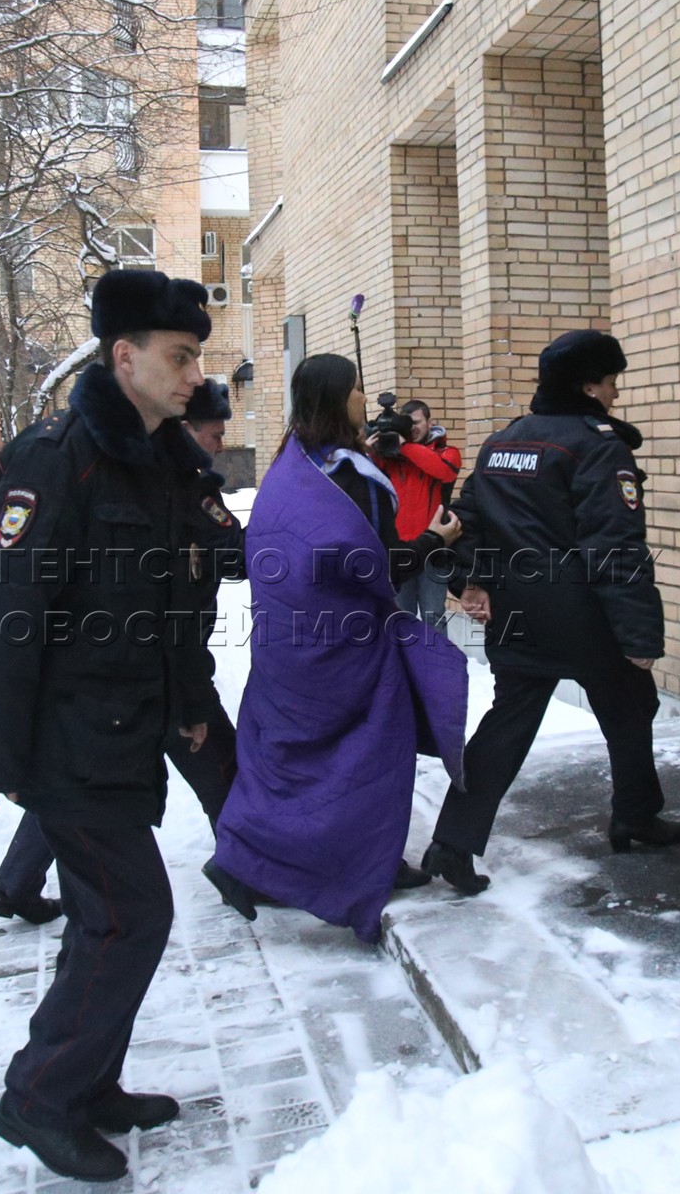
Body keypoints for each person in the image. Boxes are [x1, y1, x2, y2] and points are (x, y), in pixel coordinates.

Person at [0, 267, 218, 1182]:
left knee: (106, 919)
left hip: (126, 729)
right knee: (132, 916)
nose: (192, 376)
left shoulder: (165, 463)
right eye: (178, 358)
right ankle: (37, 1100)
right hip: (67, 736)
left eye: (194, 359)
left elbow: (178, 603)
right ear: (125, 355)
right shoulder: (56, 457)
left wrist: (189, 707)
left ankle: (88, 1083)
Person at [204, 353, 470, 944]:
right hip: (347, 649)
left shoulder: (290, 466)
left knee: (285, 765)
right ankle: (368, 864)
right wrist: (436, 538)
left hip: (287, 647)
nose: (363, 396)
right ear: (335, 399)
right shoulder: (351, 476)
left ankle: (243, 862)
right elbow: (372, 565)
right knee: (372, 759)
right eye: (356, 388)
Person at [420, 330, 680, 894]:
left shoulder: (504, 441)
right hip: (584, 615)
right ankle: (636, 815)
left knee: (507, 724)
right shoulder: (597, 445)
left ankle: (451, 842)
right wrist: (639, 634)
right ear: (589, 384)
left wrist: (475, 580)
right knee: (631, 705)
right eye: (612, 383)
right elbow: (615, 545)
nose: (616, 395)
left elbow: (465, 519)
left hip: (520, 614)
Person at [0, 376, 244, 927]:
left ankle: (13, 885)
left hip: (161, 669)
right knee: (223, 772)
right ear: (186, 429)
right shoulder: (161, 479)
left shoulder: (176, 477)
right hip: (148, 672)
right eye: (215, 436)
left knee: (77, 796)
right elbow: (6, 604)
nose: (219, 446)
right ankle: (249, 869)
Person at [389, 399, 462, 628]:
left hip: (434, 550)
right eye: (407, 423)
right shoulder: (390, 456)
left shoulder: (447, 452)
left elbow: (444, 472)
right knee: (401, 620)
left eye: (417, 422)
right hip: (400, 551)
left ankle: (438, 665)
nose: (412, 427)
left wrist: (404, 447)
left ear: (430, 423)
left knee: (434, 619)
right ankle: (406, 665)